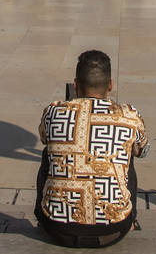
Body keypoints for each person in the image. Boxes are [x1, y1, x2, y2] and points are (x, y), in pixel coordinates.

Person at [36, 50, 147, 248]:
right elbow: (142, 151)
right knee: (127, 152)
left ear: (76, 84)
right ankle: (131, 220)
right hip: (113, 230)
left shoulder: (53, 111)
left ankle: (44, 212)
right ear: (110, 85)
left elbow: (45, 138)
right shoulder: (129, 116)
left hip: (57, 228)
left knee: (48, 153)